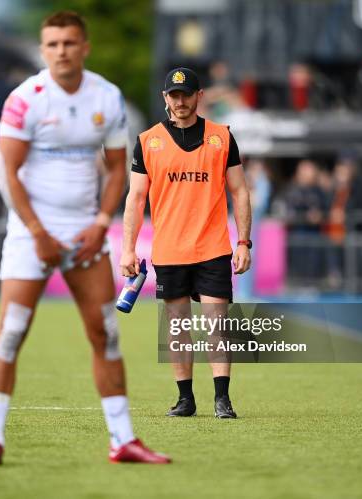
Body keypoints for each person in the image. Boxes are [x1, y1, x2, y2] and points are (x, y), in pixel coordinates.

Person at [0, 11, 170, 466]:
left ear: (85, 47)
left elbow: (120, 167)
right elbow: (7, 173)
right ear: (43, 50)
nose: (61, 51)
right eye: (53, 44)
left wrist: (101, 223)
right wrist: (38, 232)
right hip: (30, 235)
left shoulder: (108, 96)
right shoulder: (26, 99)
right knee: (11, 334)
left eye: (69, 43)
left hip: (86, 236)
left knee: (105, 333)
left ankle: (123, 441)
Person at [121, 67, 252, 419]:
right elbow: (135, 199)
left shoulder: (222, 137)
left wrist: (243, 242)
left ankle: (222, 398)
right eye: (173, 95)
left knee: (216, 325)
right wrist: (128, 249)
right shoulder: (148, 140)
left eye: (186, 94)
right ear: (165, 98)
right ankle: (185, 399)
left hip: (213, 247)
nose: (180, 101)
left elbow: (239, 192)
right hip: (169, 250)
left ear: (199, 96)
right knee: (177, 328)